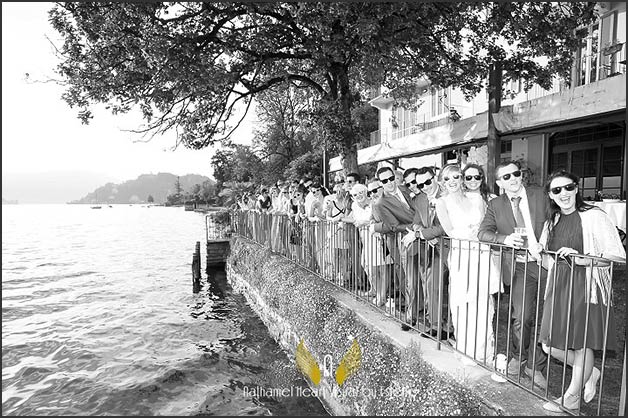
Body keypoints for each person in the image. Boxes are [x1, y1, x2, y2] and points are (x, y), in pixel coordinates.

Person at [535, 170, 625, 412]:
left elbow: (616, 255)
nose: (563, 193)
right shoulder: (551, 222)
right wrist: (538, 253)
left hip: (586, 285)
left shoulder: (594, 216)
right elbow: (548, 261)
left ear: (576, 189)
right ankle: (590, 371)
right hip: (559, 286)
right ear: (551, 196)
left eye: (568, 187)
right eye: (556, 190)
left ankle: (572, 397)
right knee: (549, 345)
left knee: (581, 343)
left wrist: (584, 259)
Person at [477, 160, 548, 388]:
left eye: (515, 174)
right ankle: (519, 357)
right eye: (506, 177)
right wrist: (505, 240)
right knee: (522, 317)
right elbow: (483, 233)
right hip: (519, 266)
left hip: (547, 263)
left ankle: (536, 366)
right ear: (499, 183)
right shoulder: (496, 204)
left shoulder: (540, 194)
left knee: (548, 317)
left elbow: (557, 217)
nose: (513, 179)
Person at [434, 164, 498, 364]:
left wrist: (479, 233)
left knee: (482, 302)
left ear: (461, 178)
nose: (452, 181)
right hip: (462, 255)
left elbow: (486, 226)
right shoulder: (441, 202)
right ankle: (467, 349)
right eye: (447, 178)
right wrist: (473, 233)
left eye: (456, 177)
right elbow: (450, 230)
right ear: (442, 182)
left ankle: (484, 351)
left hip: (482, 254)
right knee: (463, 302)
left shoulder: (477, 198)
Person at [401, 166, 453, 340]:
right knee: (431, 287)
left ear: (435, 177)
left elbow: (446, 226)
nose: (425, 186)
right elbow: (415, 222)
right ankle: (436, 326)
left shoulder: (448, 195)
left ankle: (451, 326)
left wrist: (422, 234)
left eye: (428, 182)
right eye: (421, 184)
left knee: (451, 290)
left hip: (449, 248)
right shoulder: (421, 199)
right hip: (430, 249)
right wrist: (424, 232)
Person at [370, 165, 418, 329]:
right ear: (380, 183)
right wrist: (414, 227)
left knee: (424, 278)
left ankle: (428, 314)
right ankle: (411, 316)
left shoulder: (407, 189)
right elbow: (393, 226)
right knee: (409, 278)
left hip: (424, 236)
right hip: (405, 240)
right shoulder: (381, 203)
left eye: (392, 178)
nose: (390, 183)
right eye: (385, 181)